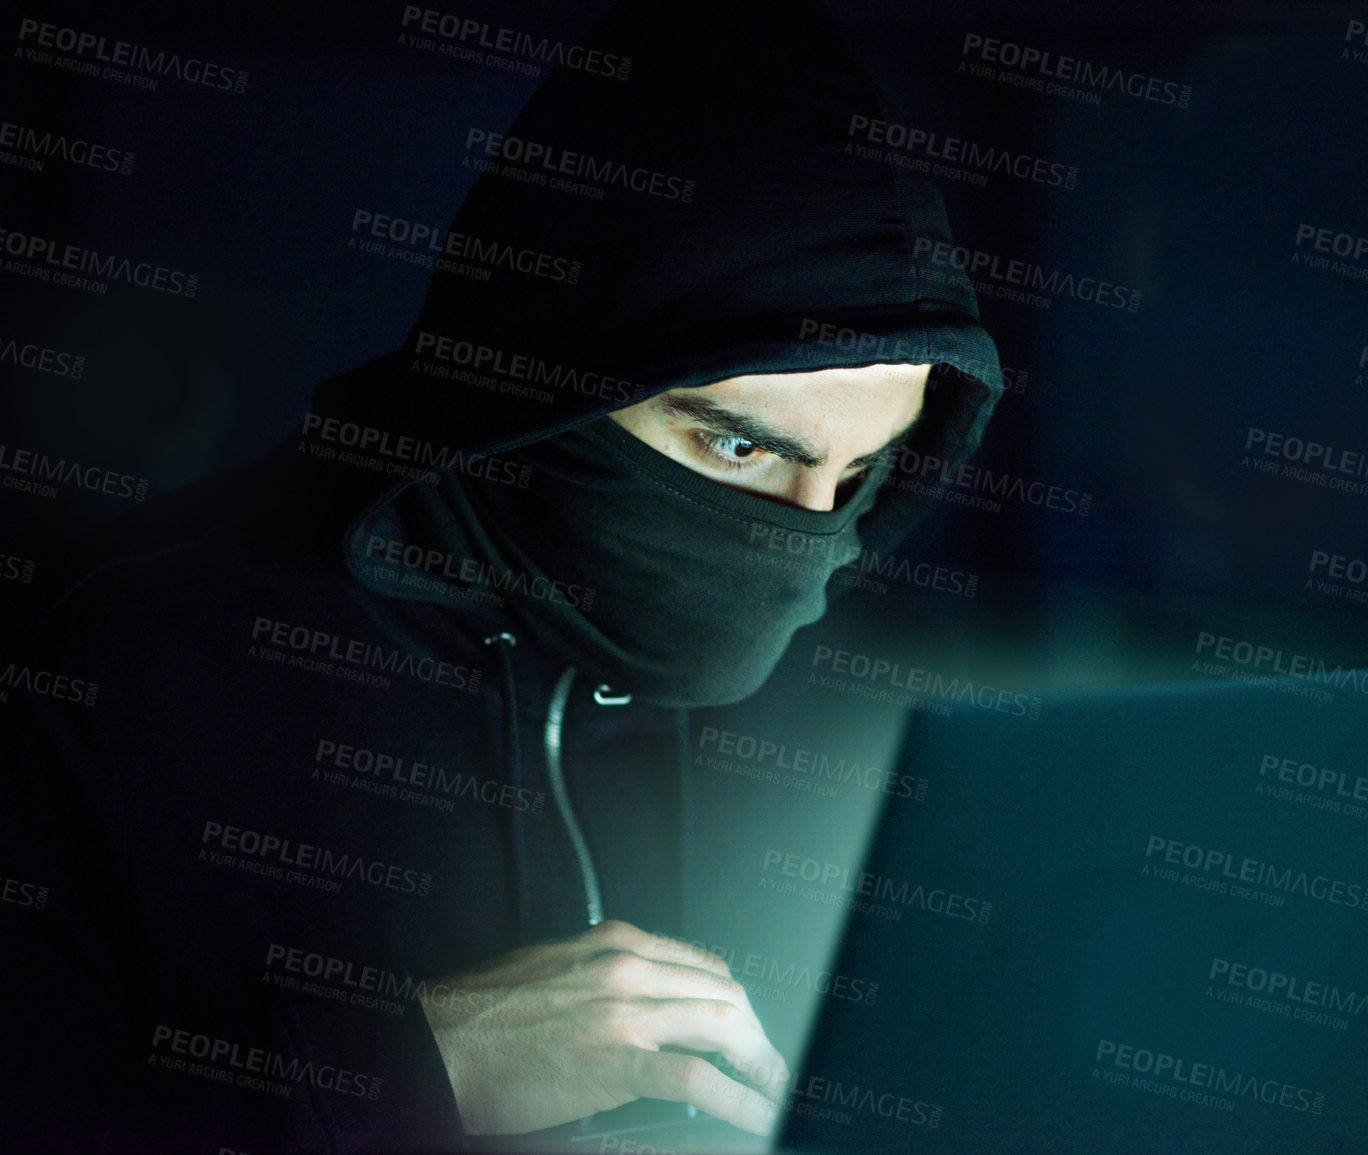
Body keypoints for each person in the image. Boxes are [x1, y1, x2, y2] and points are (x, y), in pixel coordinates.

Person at [0, 0, 1001, 1150]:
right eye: (738, 446)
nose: (802, 540)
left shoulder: (888, 686)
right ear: (548, 390)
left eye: (861, 471)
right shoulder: (117, 657)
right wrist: (404, 1071)